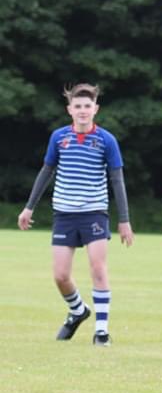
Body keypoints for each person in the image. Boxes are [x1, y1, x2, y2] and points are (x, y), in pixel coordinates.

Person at [18, 83, 134, 346]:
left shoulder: (106, 140)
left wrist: (124, 220)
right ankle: (78, 310)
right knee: (60, 275)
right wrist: (29, 207)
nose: (83, 111)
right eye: (78, 106)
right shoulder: (59, 137)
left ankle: (101, 332)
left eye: (87, 106)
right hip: (64, 214)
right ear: (70, 110)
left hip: (94, 212)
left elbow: (117, 181)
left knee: (98, 267)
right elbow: (46, 171)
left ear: (96, 109)